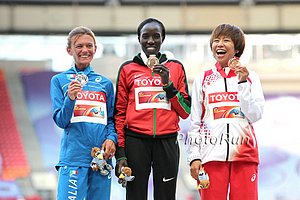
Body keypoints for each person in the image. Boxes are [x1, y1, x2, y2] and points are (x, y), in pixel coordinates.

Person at [114, 18, 191, 200]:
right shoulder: (127, 69)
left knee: (165, 196)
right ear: (138, 39)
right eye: (145, 36)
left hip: (167, 142)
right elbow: (119, 114)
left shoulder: (176, 67)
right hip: (135, 142)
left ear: (162, 39)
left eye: (156, 36)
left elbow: (185, 111)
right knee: (135, 195)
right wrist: (120, 153)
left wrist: (168, 85)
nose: (150, 41)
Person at [187, 23, 265, 200]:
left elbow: (255, 115)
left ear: (236, 48)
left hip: (245, 156)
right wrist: (194, 157)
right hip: (211, 157)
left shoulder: (251, 77)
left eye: (226, 40)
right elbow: (195, 122)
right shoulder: (203, 78)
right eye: (216, 40)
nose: (219, 44)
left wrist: (243, 83)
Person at [50, 26, 117, 200]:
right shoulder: (59, 81)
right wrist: (70, 99)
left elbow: (111, 120)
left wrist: (112, 139)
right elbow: (60, 121)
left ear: (95, 49)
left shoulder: (106, 84)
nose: (85, 50)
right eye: (79, 46)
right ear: (69, 50)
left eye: (89, 46)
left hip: (101, 161)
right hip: (73, 159)